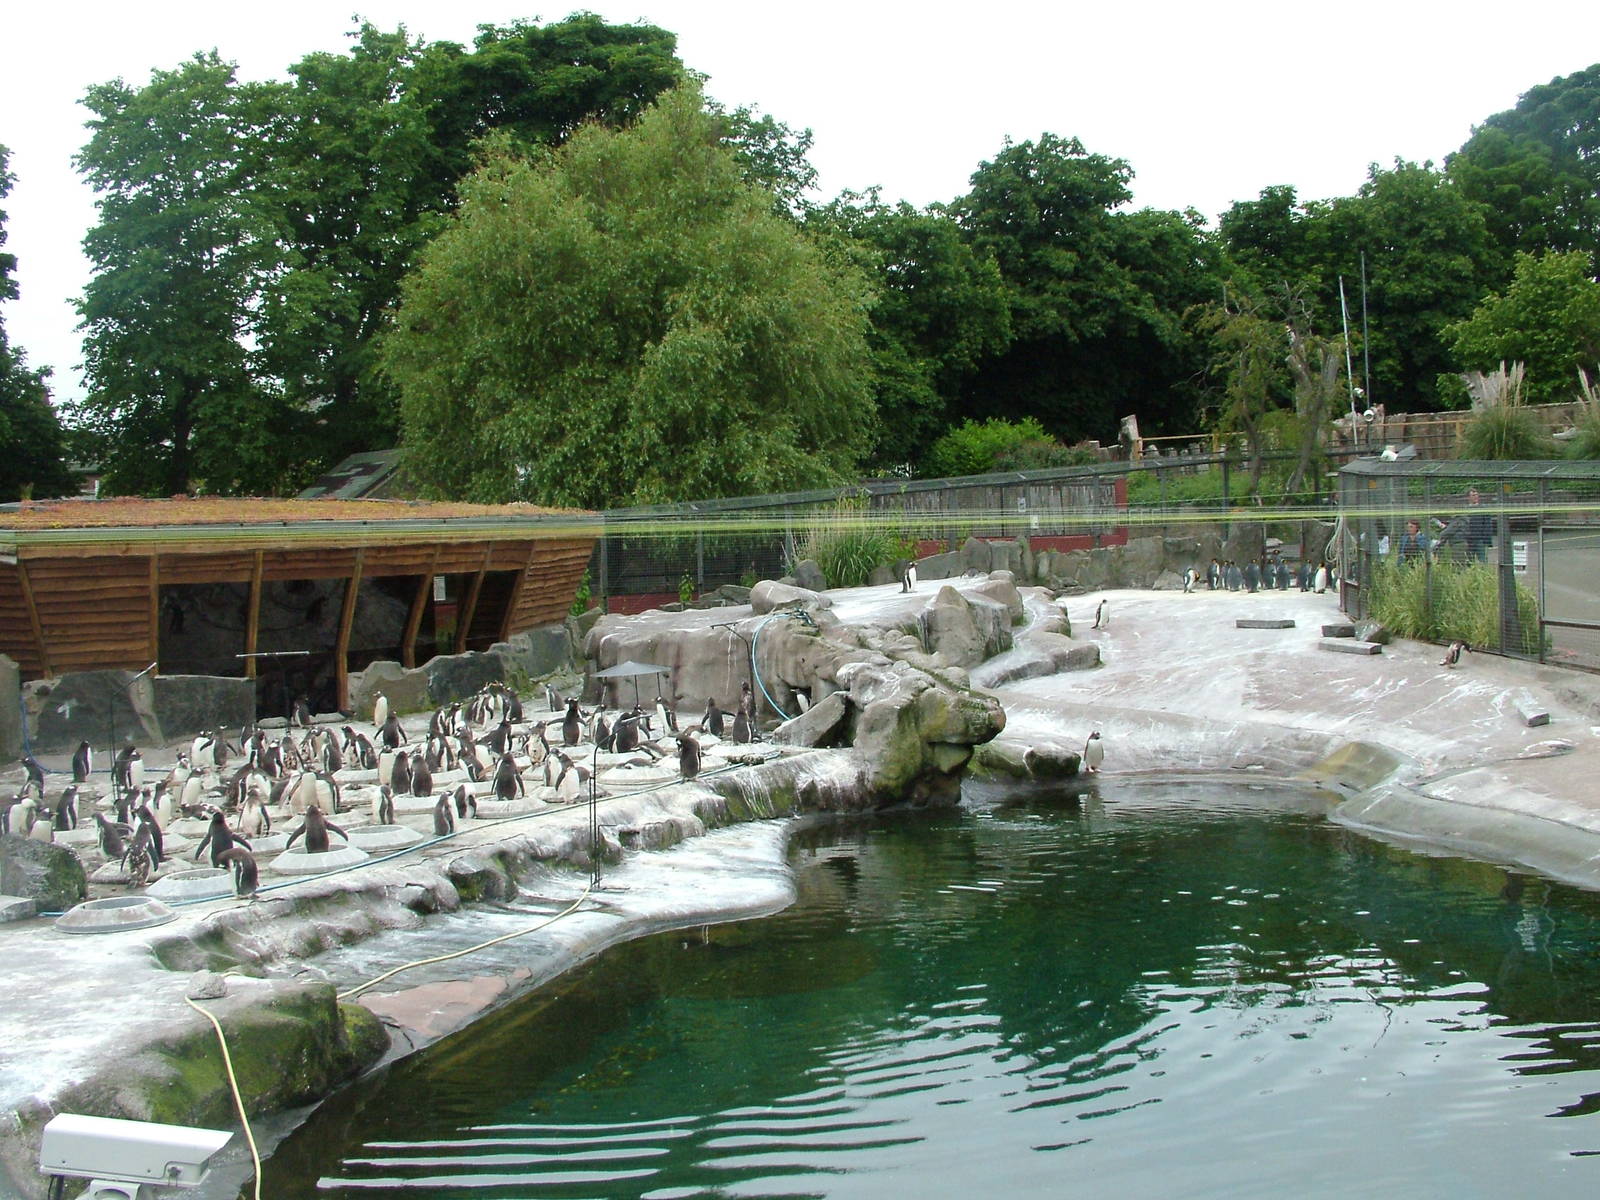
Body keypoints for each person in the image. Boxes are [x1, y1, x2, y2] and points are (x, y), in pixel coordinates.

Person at [1464, 487, 1492, 562]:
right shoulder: (1464, 510)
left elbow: (1488, 525)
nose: (1476, 497)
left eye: (1476, 495)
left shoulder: (1484, 509)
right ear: (1468, 497)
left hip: (1480, 540)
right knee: (1469, 561)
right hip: (1468, 540)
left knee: (1483, 561)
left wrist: (1486, 541)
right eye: (1473, 495)